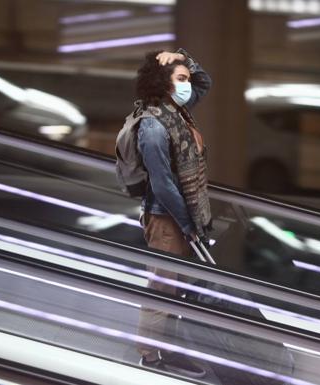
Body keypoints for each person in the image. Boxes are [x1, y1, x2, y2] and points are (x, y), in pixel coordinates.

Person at [132, 48, 213, 378]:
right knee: (162, 288)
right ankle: (150, 356)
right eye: (180, 80)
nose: (188, 86)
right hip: (166, 219)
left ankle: (168, 347)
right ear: (164, 84)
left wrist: (182, 58)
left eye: (186, 80)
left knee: (176, 287)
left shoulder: (177, 111)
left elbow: (205, 83)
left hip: (180, 216)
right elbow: (163, 185)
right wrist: (187, 224)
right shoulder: (154, 127)